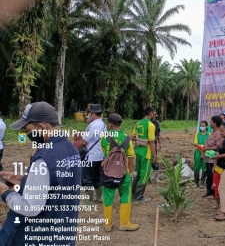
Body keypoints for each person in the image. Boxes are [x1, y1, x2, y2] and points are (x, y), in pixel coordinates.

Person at [0, 102, 82, 246]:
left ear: (42, 127)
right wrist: (25, 179)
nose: (28, 134)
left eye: (28, 130)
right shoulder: (71, 150)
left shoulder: (45, 157)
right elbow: (56, 184)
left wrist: (5, 192)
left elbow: (30, 208)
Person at [100, 113, 139, 232]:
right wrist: (131, 172)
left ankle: (108, 225)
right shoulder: (127, 139)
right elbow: (131, 157)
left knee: (107, 198)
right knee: (126, 197)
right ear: (120, 124)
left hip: (108, 174)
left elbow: (104, 153)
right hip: (123, 174)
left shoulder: (104, 137)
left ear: (110, 124)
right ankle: (124, 223)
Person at [76, 104, 107, 204]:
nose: (88, 115)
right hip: (100, 156)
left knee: (87, 178)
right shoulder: (103, 124)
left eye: (89, 113)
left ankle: (88, 201)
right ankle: (99, 197)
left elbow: (84, 141)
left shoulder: (92, 126)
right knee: (98, 177)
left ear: (92, 114)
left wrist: (74, 147)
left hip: (90, 157)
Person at [131, 106, 157, 203]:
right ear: (150, 114)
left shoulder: (138, 124)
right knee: (144, 174)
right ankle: (139, 197)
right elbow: (151, 141)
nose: (154, 116)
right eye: (154, 114)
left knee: (138, 173)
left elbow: (133, 137)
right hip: (146, 153)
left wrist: (139, 139)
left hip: (138, 151)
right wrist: (155, 155)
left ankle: (133, 193)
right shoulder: (150, 125)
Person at [201, 116, 223, 198]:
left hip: (213, 160)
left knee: (212, 176)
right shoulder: (213, 133)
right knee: (208, 175)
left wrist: (207, 148)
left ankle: (213, 193)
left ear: (215, 123)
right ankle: (208, 191)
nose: (210, 123)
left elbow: (218, 147)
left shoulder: (218, 134)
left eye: (211, 122)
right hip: (208, 159)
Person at [193, 121, 210, 188]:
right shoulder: (197, 133)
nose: (202, 127)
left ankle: (202, 183)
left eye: (203, 126)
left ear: (206, 126)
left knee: (204, 166)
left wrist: (204, 151)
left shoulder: (209, 134)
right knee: (196, 166)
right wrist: (201, 149)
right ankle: (196, 183)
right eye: (201, 125)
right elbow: (195, 143)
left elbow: (209, 144)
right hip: (198, 151)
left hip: (206, 152)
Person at [151, 111, 162, 184]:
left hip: (154, 144)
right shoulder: (144, 124)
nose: (154, 116)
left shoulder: (156, 123)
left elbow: (158, 134)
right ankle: (147, 177)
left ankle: (156, 178)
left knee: (155, 160)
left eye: (155, 115)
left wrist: (160, 143)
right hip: (145, 145)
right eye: (153, 114)